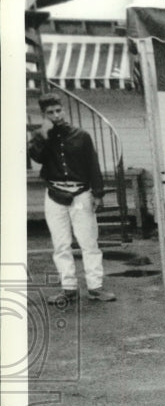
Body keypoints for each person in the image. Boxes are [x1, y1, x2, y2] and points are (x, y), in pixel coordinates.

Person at [28, 92, 116, 304]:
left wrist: (98, 193)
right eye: (50, 112)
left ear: (64, 110)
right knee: (61, 245)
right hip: (55, 196)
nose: (56, 115)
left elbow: (93, 164)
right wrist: (43, 135)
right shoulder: (43, 137)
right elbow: (37, 157)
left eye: (58, 110)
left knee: (89, 243)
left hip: (80, 195)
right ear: (44, 114)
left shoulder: (81, 136)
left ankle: (95, 287)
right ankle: (68, 289)